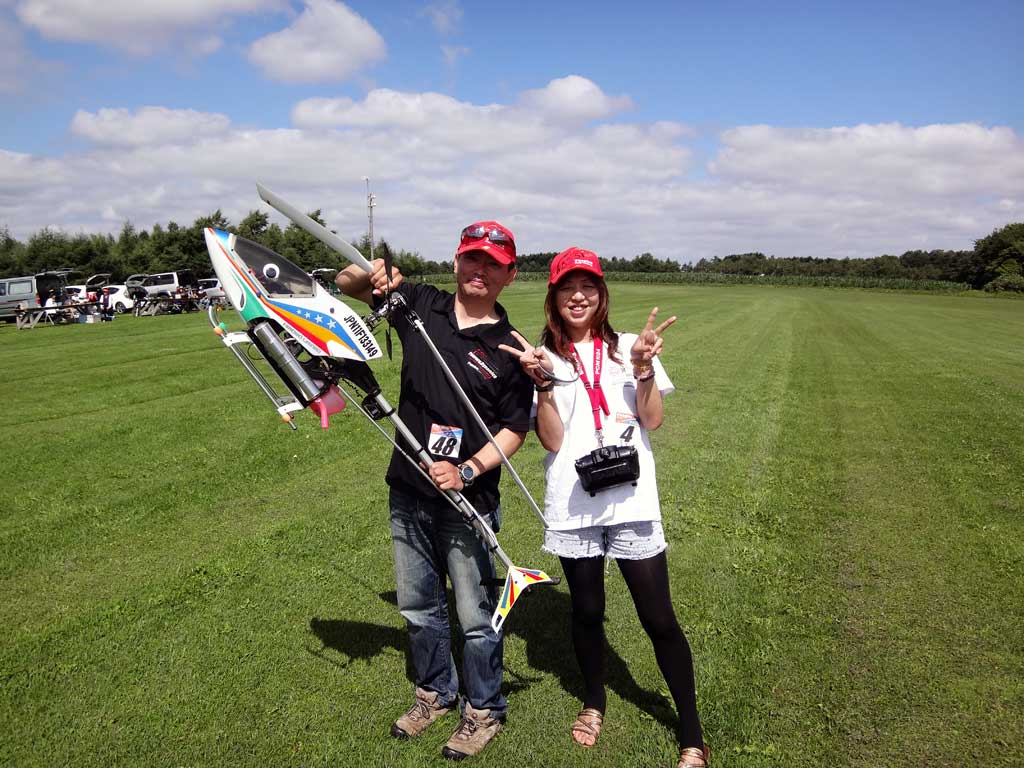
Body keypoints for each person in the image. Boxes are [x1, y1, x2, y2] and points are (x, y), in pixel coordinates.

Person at [499, 248, 709, 768]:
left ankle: (691, 731)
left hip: (632, 502)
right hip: (575, 504)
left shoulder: (633, 347)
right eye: (567, 288)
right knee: (588, 610)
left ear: (601, 294)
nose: (578, 296)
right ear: (553, 297)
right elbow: (551, 442)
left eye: (587, 286)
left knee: (658, 617)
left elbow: (652, 421)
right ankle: (594, 701)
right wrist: (543, 387)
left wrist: (644, 371)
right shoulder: (541, 359)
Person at [335, 221, 533, 760]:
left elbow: (515, 429)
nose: (479, 270)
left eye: (492, 263)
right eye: (472, 258)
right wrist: (370, 274)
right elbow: (346, 283)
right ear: (456, 261)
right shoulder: (420, 303)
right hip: (408, 489)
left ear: (509, 275)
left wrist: (467, 470)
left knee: (475, 616)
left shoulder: (511, 347)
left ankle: (484, 709)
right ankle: (434, 694)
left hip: (469, 502)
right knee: (419, 606)